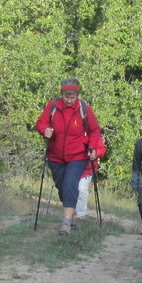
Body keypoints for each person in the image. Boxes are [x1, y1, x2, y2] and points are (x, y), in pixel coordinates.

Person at [35, 77, 106, 235]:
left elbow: (95, 130)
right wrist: (44, 130)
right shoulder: (53, 106)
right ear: (61, 94)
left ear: (77, 95)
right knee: (62, 187)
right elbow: (40, 123)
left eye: (72, 97)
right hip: (55, 156)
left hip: (78, 156)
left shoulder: (84, 109)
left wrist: (92, 146)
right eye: (66, 96)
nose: (69, 100)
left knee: (70, 185)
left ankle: (66, 224)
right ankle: (71, 216)